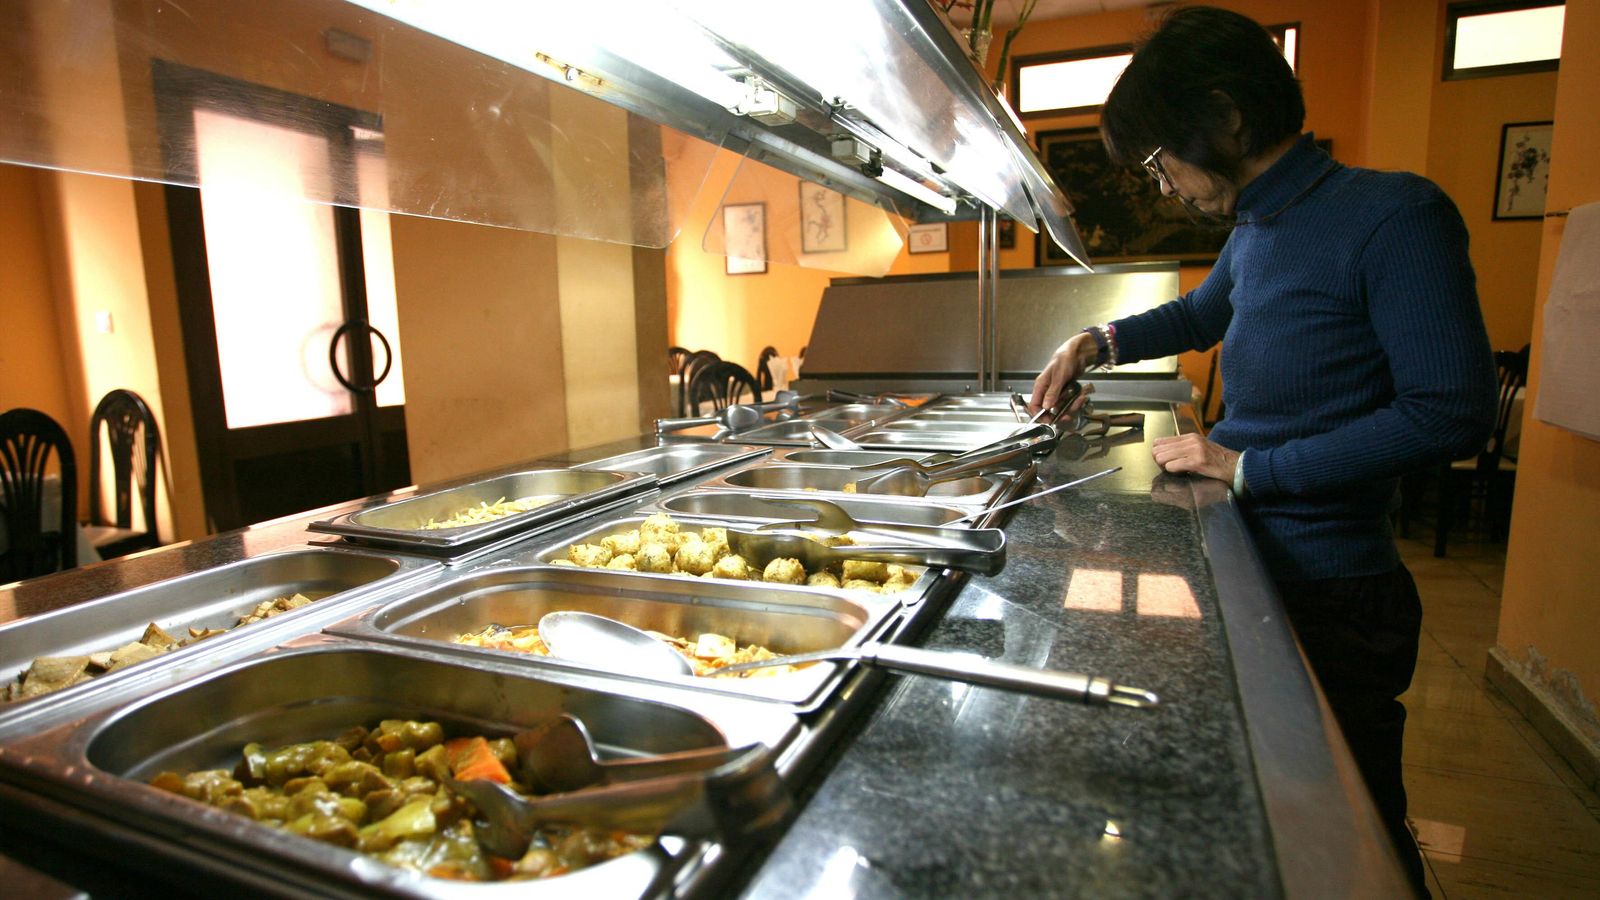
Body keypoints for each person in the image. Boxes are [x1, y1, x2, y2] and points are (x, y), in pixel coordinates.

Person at [1029, 7, 1497, 896]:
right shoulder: (1256, 227)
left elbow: (1450, 412)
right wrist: (1096, 338)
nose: (1164, 186)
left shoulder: (1394, 214)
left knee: (1347, 831)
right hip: (1256, 555)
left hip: (1332, 583)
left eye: (1163, 159)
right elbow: (1205, 314)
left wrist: (1254, 468)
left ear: (1226, 114)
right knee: (1269, 817)